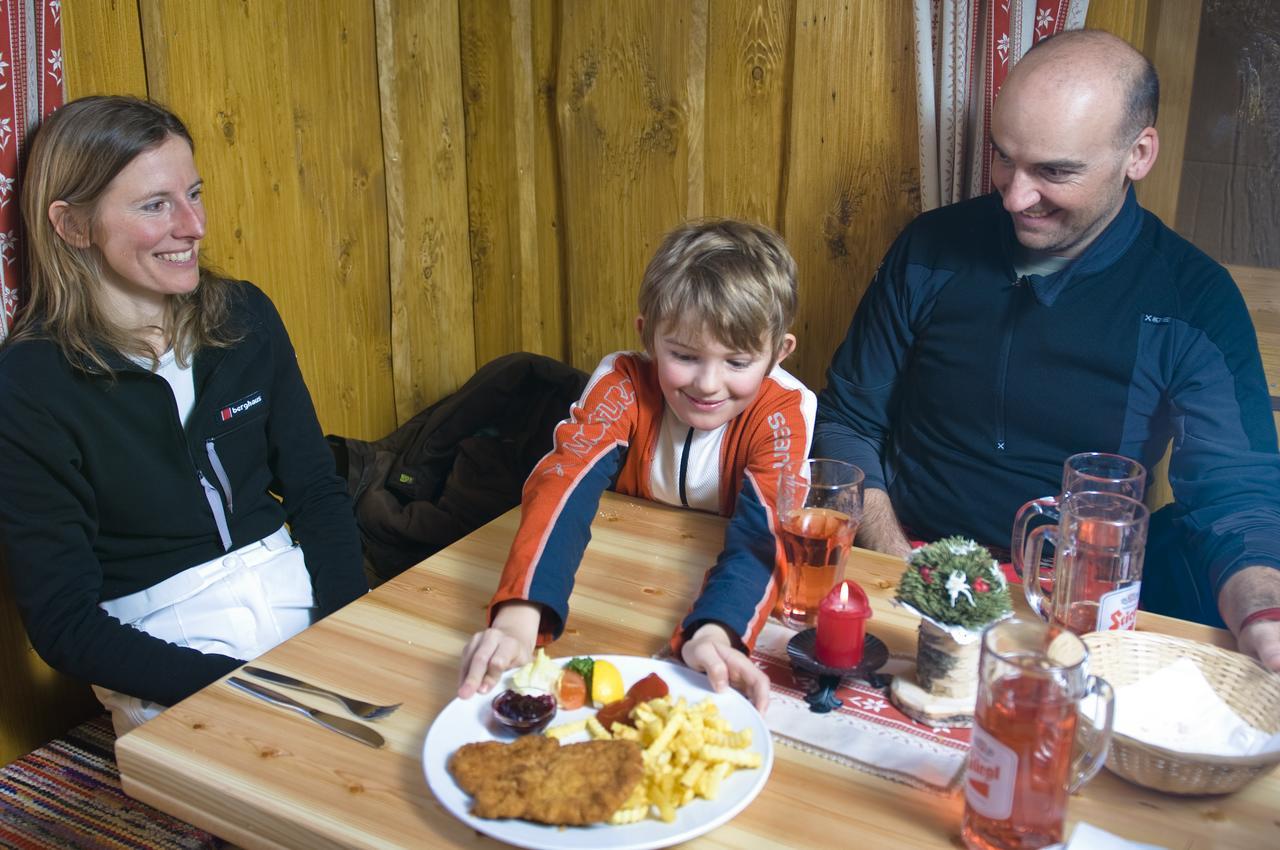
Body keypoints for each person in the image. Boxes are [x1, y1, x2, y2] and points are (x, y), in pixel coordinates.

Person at [813, 29, 1280, 671]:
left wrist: (1264, 616)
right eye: (1005, 158)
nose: (1013, 197)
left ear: (1137, 154)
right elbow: (848, 423)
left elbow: (1237, 494)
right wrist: (903, 564)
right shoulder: (931, 247)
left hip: (1072, 610)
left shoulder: (1192, 297)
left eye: (1054, 172)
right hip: (904, 566)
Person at [0, 96, 368, 735]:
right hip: (163, 646)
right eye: (155, 205)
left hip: (297, 589)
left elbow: (316, 491)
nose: (193, 225)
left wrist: (350, 628)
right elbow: (63, 622)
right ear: (72, 225)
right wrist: (238, 690)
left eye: (193, 194)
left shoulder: (244, 316)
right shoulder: (29, 384)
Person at [457, 219, 814, 710]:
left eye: (737, 362)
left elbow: (766, 532)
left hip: (716, 581)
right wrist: (521, 611)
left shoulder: (785, 409)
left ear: (778, 353)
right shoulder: (623, 381)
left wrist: (717, 630)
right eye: (684, 355)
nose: (708, 383)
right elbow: (564, 482)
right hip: (618, 574)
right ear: (648, 336)